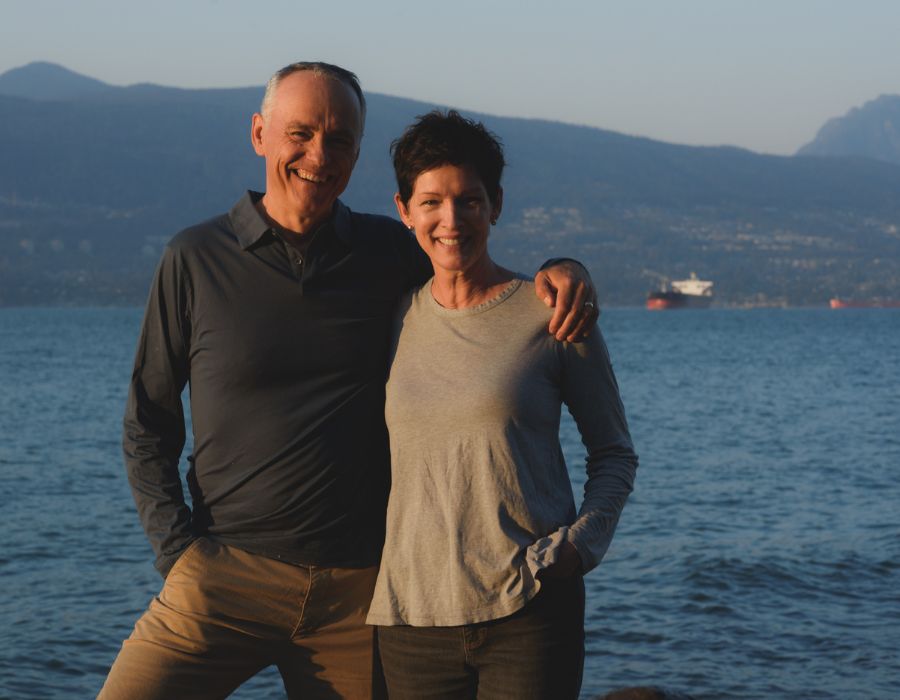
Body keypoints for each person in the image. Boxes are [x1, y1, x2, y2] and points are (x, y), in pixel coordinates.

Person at [98, 63, 598, 699]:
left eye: (339, 140)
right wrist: (179, 553)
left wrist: (564, 267)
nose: (318, 156)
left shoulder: (389, 254)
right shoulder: (195, 259)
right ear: (259, 134)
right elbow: (148, 420)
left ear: (358, 152)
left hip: (360, 593)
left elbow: (470, 261)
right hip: (225, 578)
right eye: (300, 134)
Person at [366, 110, 638, 699]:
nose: (451, 220)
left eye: (469, 200)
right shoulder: (389, 318)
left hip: (530, 612)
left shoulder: (554, 313)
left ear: (496, 205)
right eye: (431, 201)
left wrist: (579, 546)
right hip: (410, 619)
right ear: (403, 208)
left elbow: (614, 452)